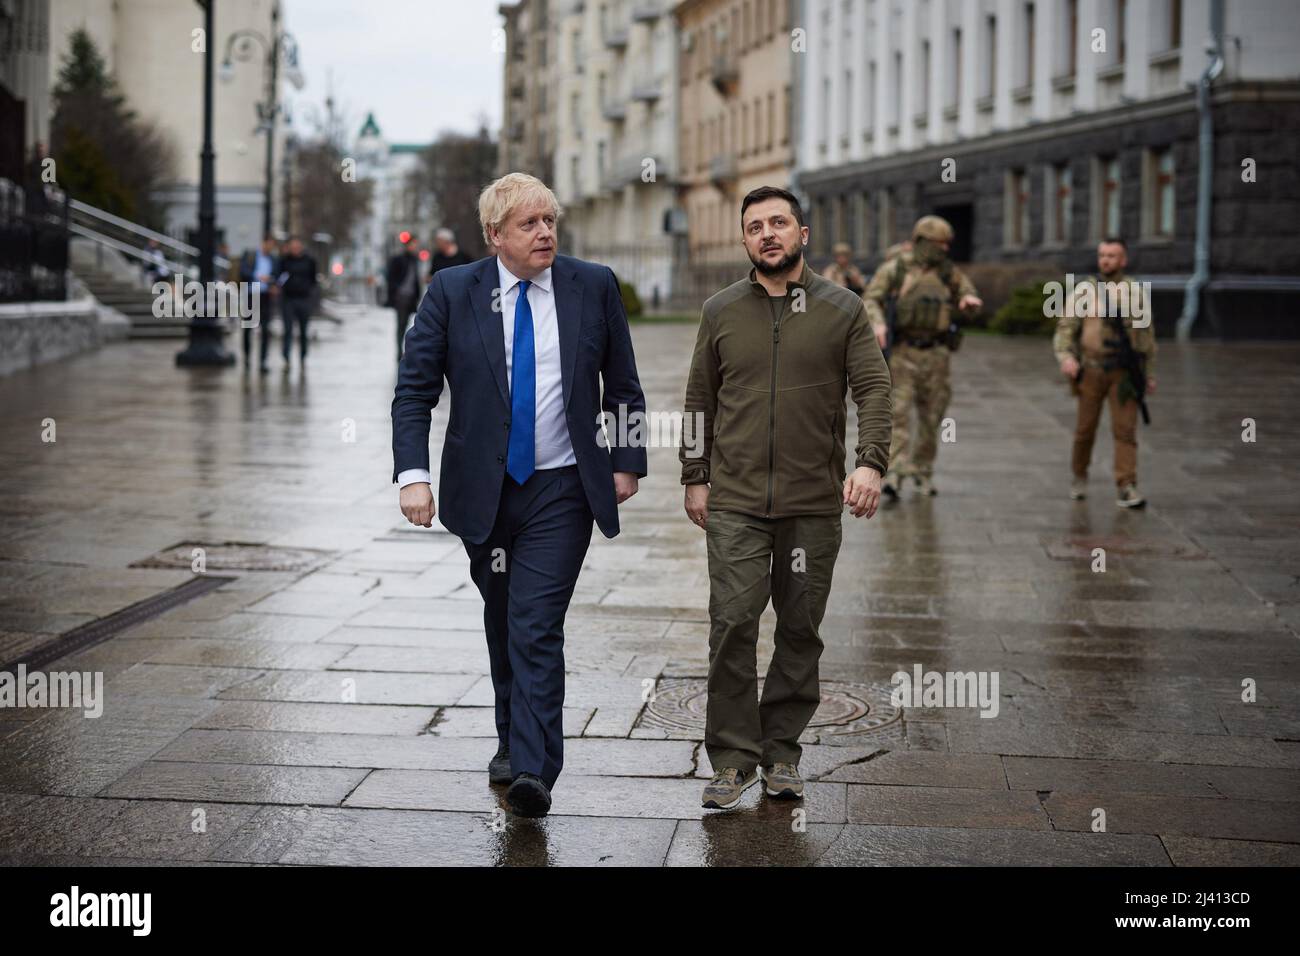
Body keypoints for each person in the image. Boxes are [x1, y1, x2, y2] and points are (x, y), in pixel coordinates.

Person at [392, 172, 647, 818]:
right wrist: (412, 475)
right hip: (484, 491)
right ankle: (511, 738)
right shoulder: (453, 291)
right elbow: (414, 390)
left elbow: (623, 385)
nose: (545, 234)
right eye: (529, 224)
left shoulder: (591, 286)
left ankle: (533, 767)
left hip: (563, 488)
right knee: (503, 617)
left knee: (535, 624)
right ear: (494, 236)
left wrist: (626, 460)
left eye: (550, 221)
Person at [680, 185, 892, 811]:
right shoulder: (721, 310)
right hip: (737, 502)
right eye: (754, 226)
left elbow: (874, 391)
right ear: (744, 240)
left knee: (800, 629)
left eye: (779, 222)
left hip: (811, 503)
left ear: (803, 233)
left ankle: (781, 755)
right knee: (733, 624)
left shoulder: (842, 308)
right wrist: (696, 473)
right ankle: (731, 760)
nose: (767, 233)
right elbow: (699, 400)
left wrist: (869, 465)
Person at [863, 215, 982, 498]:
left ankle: (922, 470)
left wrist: (968, 301)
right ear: (923, 242)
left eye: (946, 244)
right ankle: (894, 472)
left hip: (937, 355)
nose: (943, 249)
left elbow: (967, 292)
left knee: (932, 417)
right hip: (904, 352)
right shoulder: (896, 269)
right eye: (938, 244)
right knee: (899, 414)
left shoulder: (947, 272)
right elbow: (870, 299)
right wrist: (877, 322)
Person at [1052, 238, 1157, 508]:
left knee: (1125, 430)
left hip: (1124, 374)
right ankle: (1079, 475)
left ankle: (1126, 485)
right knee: (1084, 430)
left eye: (1112, 255)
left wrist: (1149, 373)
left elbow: (1146, 337)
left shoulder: (1135, 292)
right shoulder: (1085, 290)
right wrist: (1066, 357)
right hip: (1091, 371)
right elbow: (1066, 327)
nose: (1106, 260)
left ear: (1123, 260)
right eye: (1102, 255)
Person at [238, 236, 278, 373]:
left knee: (266, 329)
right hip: (251, 296)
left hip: (265, 297)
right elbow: (242, 271)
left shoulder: (273, 259)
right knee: (248, 328)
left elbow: (276, 276)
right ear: (263, 243)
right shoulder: (250, 256)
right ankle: (247, 358)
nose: (270, 248)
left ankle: (263, 361)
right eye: (269, 245)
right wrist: (258, 276)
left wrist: (272, 283)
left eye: (272, 246)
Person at [276, 237, 317, 371]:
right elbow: (279, 277)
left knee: (303, 331)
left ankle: (303, 357)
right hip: (288, 299)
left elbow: (313, 279)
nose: (295, 249)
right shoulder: (284, 261)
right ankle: (286, 357)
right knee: (288, 330)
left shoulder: (309, 261)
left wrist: (310, 293)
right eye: (292, 246)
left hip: (304, 299)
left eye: (297, 246)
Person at [386, 235, 423, 361]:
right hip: (401, 297)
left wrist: (418, 295)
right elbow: (391, 277)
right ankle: (398, 352)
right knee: (401, 325)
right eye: (413, 244)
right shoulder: (398, 259)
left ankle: (405, 351)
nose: (415, 247)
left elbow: (415, 280)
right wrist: (395, 292)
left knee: (408, 325)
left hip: (411, 297)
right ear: (407, 245)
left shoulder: (414, 260)